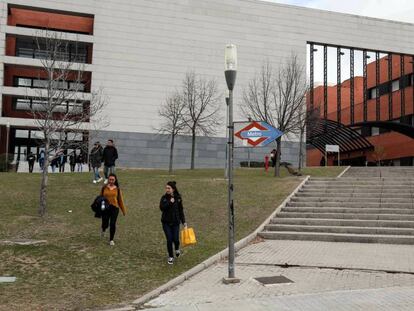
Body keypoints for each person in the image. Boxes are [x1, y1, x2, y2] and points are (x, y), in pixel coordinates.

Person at [159, 181, 187, 265]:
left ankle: (177, 249)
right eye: (166, 188)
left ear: (173, 189)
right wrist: (170, 202)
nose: (167, 189)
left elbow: (181, 211)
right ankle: (171, 256)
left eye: (169, 188)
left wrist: (184, 222)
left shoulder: (178, 198)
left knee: (176, 239)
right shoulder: (164, 198)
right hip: (166, 223)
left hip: (175, 222)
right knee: (169, 239)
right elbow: (162, 208)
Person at [100, 173, 126, 246]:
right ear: (108, 180)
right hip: (105, 208)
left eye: (113, 180)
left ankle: (111, 239)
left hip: (114, 208)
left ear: (115, 180)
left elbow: (120, 200)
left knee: (112, 224)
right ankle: (103, 228)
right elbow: (100, 198)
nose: (111, 181)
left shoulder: (117, 189)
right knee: (105, 223)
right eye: (110, 179)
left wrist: (123, 210)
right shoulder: (104, 188)